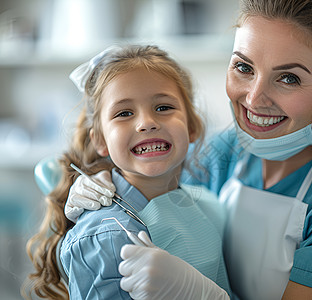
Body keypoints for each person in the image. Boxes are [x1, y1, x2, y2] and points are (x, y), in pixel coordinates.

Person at [44, 0, 312, 299]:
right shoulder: (224, 151)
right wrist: (103, 182)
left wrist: (199, 293)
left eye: (288, 78)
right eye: (244, 67)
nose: (254, 98)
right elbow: (153, 185)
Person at [24, 45, 231, 299]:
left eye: (163, 107)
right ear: (100, 140)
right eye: (124, 113)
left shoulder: (206, 204)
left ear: (192, 127)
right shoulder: (106, 236)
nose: (146, 122)